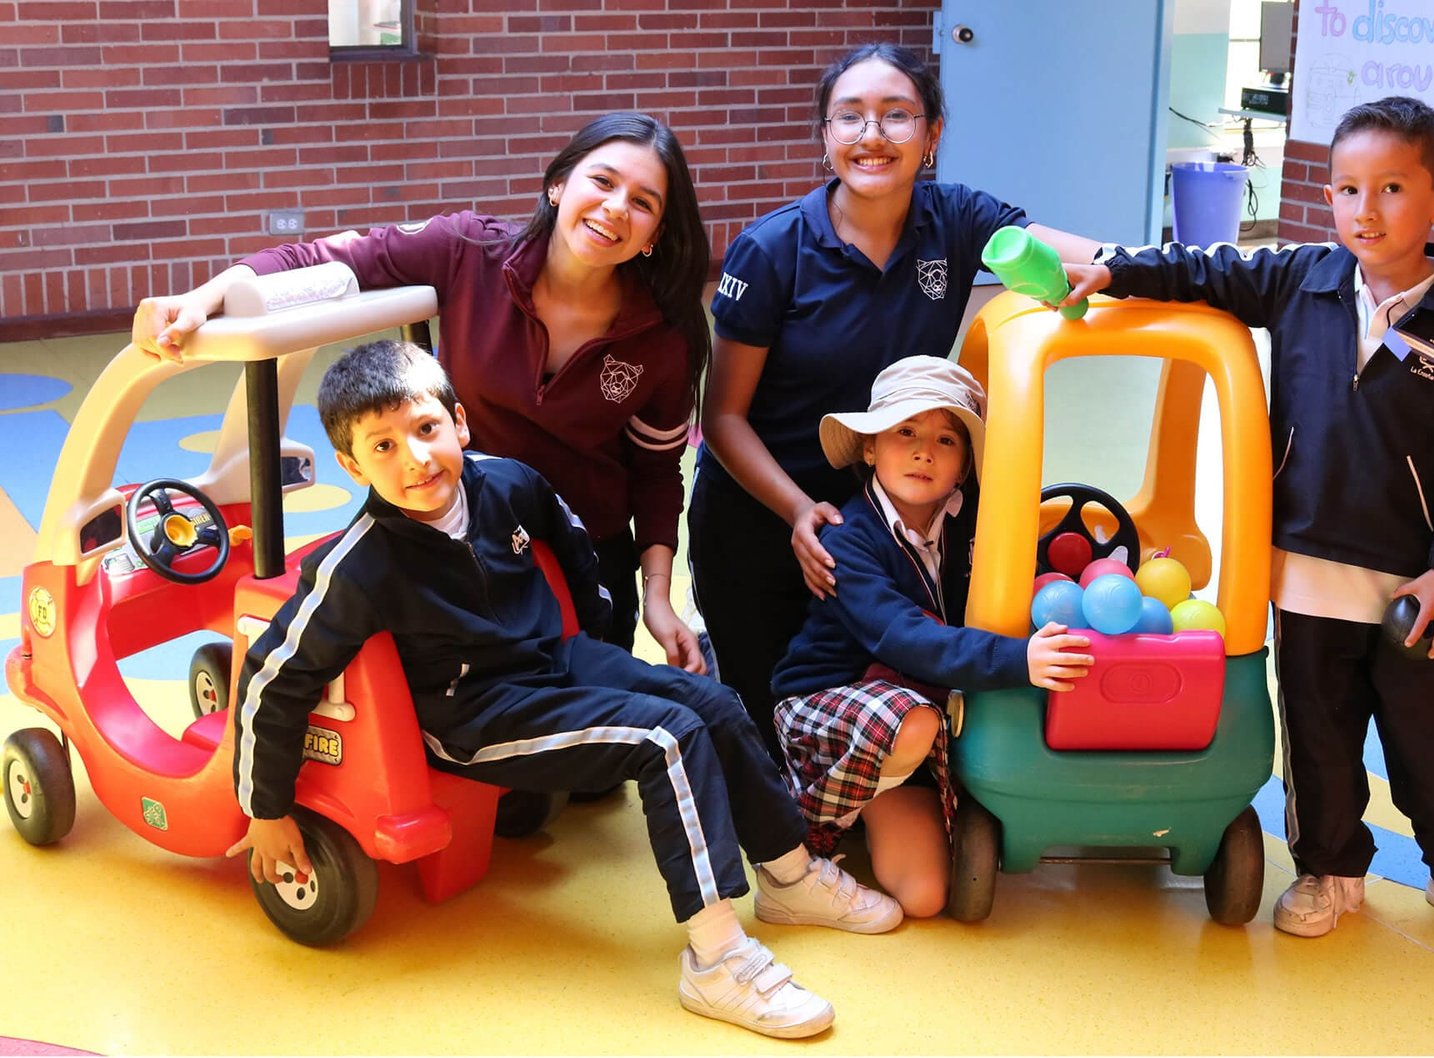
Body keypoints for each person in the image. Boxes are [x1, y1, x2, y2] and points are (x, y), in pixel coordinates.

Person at [227, 340, 904, 1039]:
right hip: (477, 714)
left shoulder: (509, 483)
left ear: (458, 423)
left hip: (558, 658)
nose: (415, 459)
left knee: (713, 702)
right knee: (665, 740)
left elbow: (572, 541)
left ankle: (791, 877)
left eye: (425, 431)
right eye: (384, 446)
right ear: (351, 465)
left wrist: (603, 644)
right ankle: (717, 960)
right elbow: (274, 676)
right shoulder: (359, 566)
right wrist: (266, 809)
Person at [1055, 96, 1434, 947]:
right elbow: (1199, 270)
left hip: (1412, 583)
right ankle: (1330, 867)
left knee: (1430, 741)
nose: (1366, 210)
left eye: (1391, 188)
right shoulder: (1300, 278)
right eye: (1347, 189)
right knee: (1318, 736)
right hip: (1304, 571)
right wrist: (1115, 270)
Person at [133, 112, 705, 671]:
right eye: (603, 181)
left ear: (655, 233)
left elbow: (656, 474)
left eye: (642, 202)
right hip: (454, 541)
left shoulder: (663, 335)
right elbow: (316, 258)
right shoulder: (467, 250)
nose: (614, 208)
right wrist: (206, 296)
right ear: (559, 184)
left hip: (584, 563)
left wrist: (658, 594)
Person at [692, 43, 1104, 760]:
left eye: (896, 116)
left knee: (875, 685)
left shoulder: (957, 220)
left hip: (882, 512)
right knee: (763, 738)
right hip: (761, 518)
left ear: (933, 133)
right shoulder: (772, 252)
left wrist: (1121, 273)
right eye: (848, 117)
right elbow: (721, 419)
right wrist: (795, 511)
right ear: (825, 135)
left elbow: (1092, 257)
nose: (871, 135)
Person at [769, 356, 1094, 917]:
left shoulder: (974, 529)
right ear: (870, 448)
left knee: (924, 898)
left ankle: (867, 800)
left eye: (946, 440)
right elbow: (905, 636)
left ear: (964, 465)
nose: (925, 451)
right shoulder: (848, 540)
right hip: (832, 709)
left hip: (916, 725)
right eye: (906, 431)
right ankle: (815, 818)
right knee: (910, 719)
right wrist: (1021, 660)